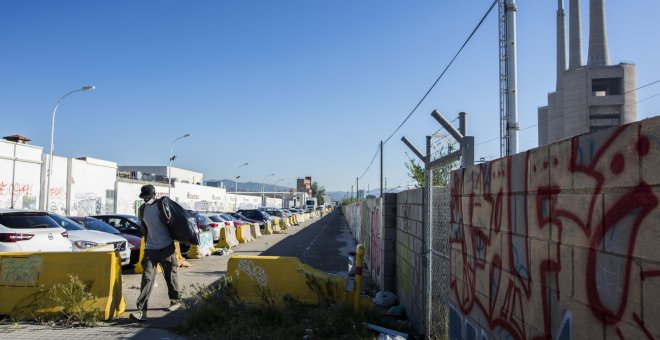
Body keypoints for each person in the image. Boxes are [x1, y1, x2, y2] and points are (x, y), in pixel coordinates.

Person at [130, 184, 180, 322]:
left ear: (153, 195)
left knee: (170, 277)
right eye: (144, 197)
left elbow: (169, 221)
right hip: (151, 250)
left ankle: (175, 301)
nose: (146, 199)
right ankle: (142, 311)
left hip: (166, 248)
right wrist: (146, 245)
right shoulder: (142, 209)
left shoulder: (161, 205)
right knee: (146, 279)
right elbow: (144, 227)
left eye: (147, 197)